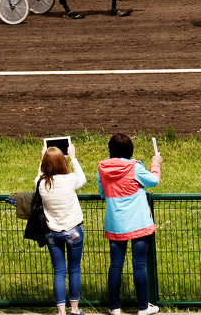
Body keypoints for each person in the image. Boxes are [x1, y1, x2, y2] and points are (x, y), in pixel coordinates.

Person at [97, 133, 161, 315]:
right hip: (139, 223)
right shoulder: (135, 167)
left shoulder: (101, 168)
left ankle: (114, 307)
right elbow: (154, 180)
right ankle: (143, 307)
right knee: (139, 264)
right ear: (130, 150)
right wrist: (155, 163)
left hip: (115, 223)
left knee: (115, 265)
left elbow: (102, 192)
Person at [38, 144, 87, 315]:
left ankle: (60, 311)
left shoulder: (41, 184)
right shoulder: (70, 179)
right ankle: (74, 309)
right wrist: (73, 158)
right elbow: (83, 179)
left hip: (52, 232)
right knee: (74, 269)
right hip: (73, 230)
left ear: (45, 164)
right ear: (62, 162)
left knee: (59, 271)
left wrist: (42, 159)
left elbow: (39, 176)